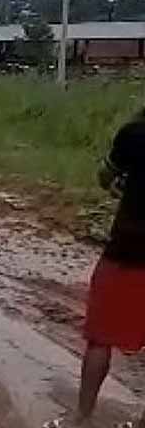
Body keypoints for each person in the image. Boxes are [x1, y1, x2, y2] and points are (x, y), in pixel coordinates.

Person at [48, 110, 145, 428]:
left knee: (100, 338)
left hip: (129, 251)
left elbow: (106, 176)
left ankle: (82, 418)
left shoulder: (135, 133)